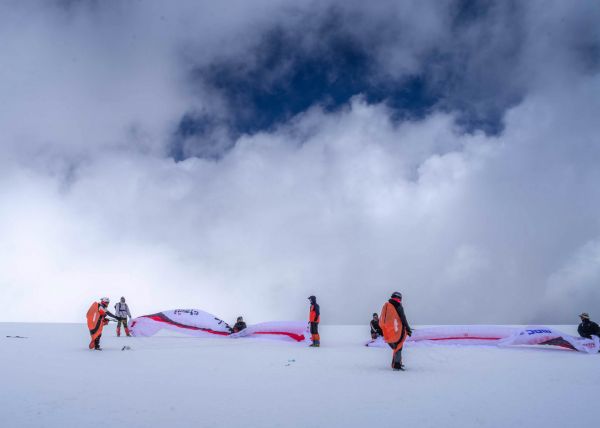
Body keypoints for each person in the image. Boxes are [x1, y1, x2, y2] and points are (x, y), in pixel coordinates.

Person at [379, 292, 412, 371]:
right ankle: (396, 365)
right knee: (399, 347)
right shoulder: (398, 306)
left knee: (396, 347)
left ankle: (396, 363)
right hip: (398, 331)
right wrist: (408, 328)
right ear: (399, 298)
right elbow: (403, 318)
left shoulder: (388, 305)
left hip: (390, 331)